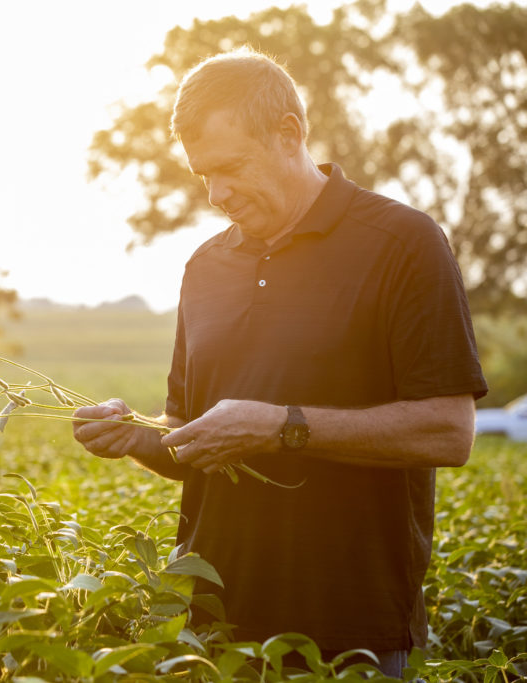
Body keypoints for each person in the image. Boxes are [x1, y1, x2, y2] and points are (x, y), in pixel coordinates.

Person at [72, 47, 487, 678]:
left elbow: (447, 431)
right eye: (202, 176)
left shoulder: (403, 244)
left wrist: (281, 427)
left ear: (289, 134)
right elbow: (189, 440)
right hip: (215, 629)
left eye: (230, 168)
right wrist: (134, 434)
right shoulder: (204, 269)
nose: (216, 194)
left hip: (354, 633)